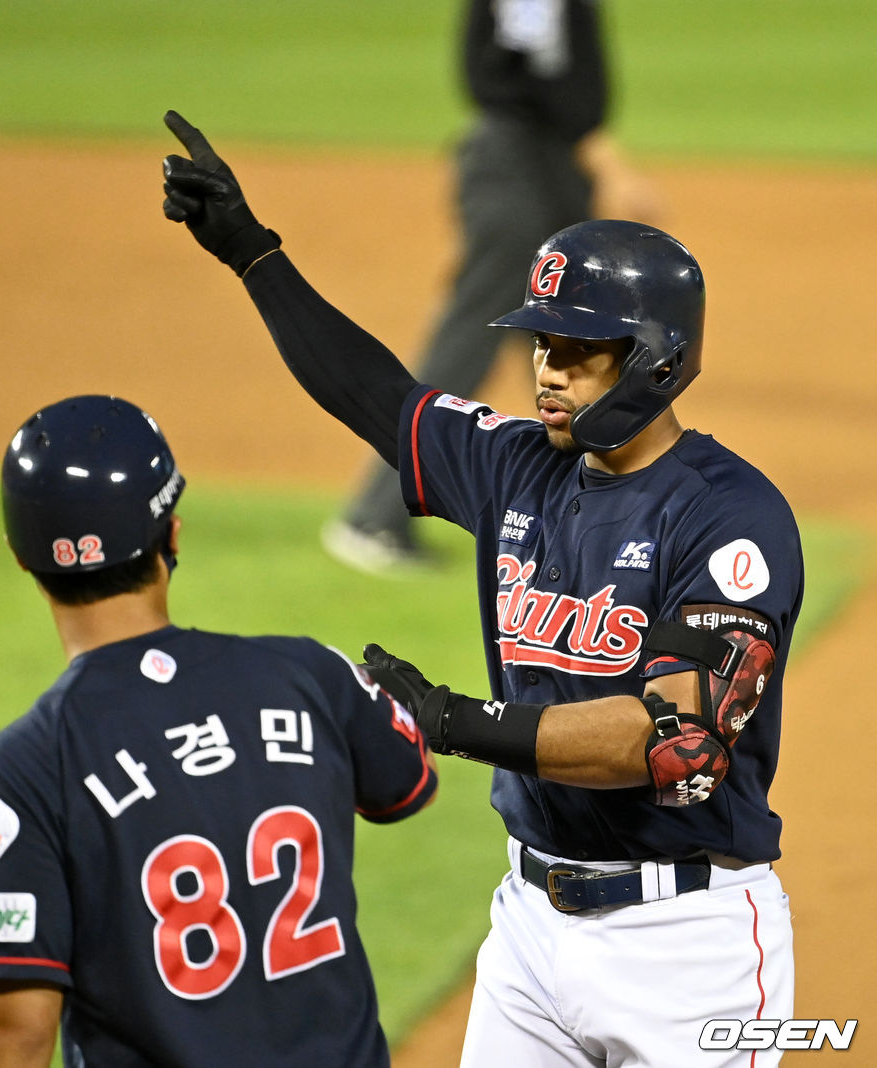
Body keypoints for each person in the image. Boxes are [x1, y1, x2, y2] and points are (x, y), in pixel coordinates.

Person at [159, 112, 802, 1065]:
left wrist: (454, 721)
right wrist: (255, 256)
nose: (547, 370)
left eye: (579, 350)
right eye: (542, 344)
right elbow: (376, 395)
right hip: (530, 931)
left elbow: (672, 738)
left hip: (687, 945)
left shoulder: (729, 517)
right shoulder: (516, 467)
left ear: (654, 357)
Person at [0, 394, 438, 1068]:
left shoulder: (27, 767)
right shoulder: (308, 675)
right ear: (171, 534)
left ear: (22, 556)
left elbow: (16, 1029)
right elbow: (405, 784)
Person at [323, 0, 661, 574]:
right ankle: (375, 515)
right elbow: (529, 69)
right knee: (470, 342)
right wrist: (605, 159)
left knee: (563, 343)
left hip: (536, 169)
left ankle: (590, 521)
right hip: (520, 168)